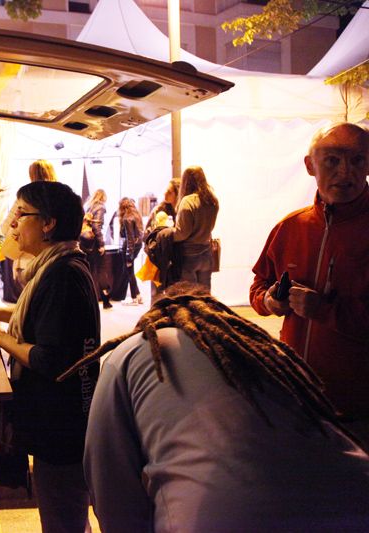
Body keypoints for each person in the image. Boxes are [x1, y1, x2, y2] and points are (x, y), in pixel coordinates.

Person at [61, 283, 369, 533]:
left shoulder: (134, 351)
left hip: (230, 517)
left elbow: (111, 485)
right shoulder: (271, 354)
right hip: (355, 496)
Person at [0, 181, 100, 533]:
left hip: (61, 424)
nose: (13, 224)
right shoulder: (62, 265)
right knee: (66, 511)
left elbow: (51, 360)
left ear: (48, 223)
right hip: (65, 418)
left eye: (21, 213)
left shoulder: (62, 275)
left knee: (62, 517)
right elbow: (46, 324)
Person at [250, 121, 369, 446]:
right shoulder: (290, 228)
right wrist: (271, 302)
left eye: (357, 160)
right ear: (309, 165)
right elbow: (259, 288)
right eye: (332, 160)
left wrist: (325, 310)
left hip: (358, 408)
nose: (346, 172)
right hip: (295, 397)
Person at [0, 159, 59, 301]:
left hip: (27, 262)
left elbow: (4, 227)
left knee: (31, 307)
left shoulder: (25, 199)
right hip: (54, 259)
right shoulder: (60, 198)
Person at [171, 166, 219, 290]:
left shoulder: (187, 201)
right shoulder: (212, 200)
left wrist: (167, 233)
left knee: (191, 296)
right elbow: (211, 227)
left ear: (186, 181)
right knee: (205, 296)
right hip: (206, 254)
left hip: (189, 256)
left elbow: (182, 233)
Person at [82, 189, 112, 308]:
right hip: (94, 243)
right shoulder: (100, 208)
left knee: (91, 270)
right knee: (101, 270)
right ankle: (105, 299)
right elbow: (97, 226)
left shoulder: (89, 207)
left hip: (86, 243)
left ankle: (91, 299)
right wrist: (101, 244)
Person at [116, 197, 143, 305]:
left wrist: (128, 256)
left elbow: (130, 239)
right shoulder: (136, 216)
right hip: (137, 246)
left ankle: (134, 297)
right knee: (130, 271)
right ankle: (138, 295)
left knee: (130, 271)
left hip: (129, 248)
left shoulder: (127, 218)